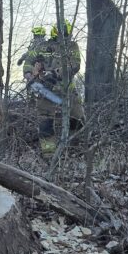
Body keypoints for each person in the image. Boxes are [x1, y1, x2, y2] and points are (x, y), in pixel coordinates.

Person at [21, 20, 84, 156]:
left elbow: (75, 64)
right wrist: (28, 73)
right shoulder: (43, 46)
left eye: (66, 34)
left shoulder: (72, 46)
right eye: (63, 33)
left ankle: (75, 149)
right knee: (45, 121)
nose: (65, 36)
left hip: (67, 89)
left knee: (77, 117)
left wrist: (56, 72)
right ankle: (49, 153)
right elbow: (28, 61)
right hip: (46, 90)